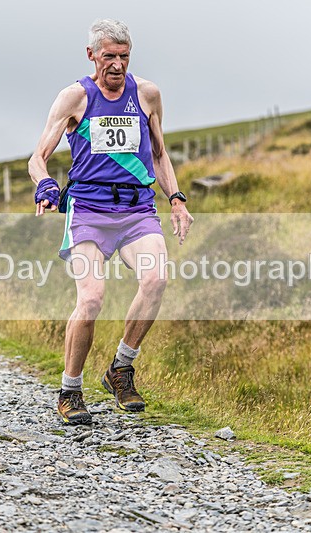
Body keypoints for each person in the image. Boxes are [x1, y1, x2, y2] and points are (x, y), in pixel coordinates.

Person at [28, 19, 193, 425]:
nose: (117, 65)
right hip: (87, 210)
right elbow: (37, 157)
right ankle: (70, 390)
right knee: (92, 298)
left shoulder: (148, 94)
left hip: (136, 210)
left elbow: (158, 154)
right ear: (91, 56)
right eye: (109, 57)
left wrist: (175, 198)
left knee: (156, 280)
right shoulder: (74, 98)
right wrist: (46, 185)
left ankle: (120, 368)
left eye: (124, 57)